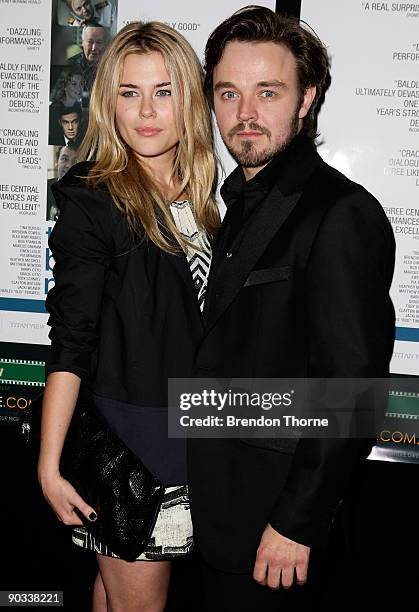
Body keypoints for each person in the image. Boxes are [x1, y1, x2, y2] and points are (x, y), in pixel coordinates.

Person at [187, 6, 395, 611]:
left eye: (268, 92)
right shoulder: (238, 204)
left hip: (275, 533)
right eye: (229, 92)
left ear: (307, 99)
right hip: (215, 516)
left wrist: (298, 522)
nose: (245, 113)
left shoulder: (339, 212)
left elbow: (352, 386)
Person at [38, 20, 218, 612]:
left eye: (163, 91)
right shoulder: (95, 202)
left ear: (187, 99)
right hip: (133, 443)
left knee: (115, 595)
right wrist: (48, 464)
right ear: (107, 100)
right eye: (129, 92)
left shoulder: (205, 195)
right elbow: (71, 341)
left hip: (190, 430)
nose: (146, 111)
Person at [68, 25, 108, 92]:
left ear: (105, 44)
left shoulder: (111, 67)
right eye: (90, 42)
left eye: (99, 42)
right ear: (83, 43)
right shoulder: (70, 65)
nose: (94, 48)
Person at [47, 145, 79, 221]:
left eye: (75, 161)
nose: (69, 165)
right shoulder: (44, 188)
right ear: (56, 162)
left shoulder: (85, 195)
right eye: (65, 159)